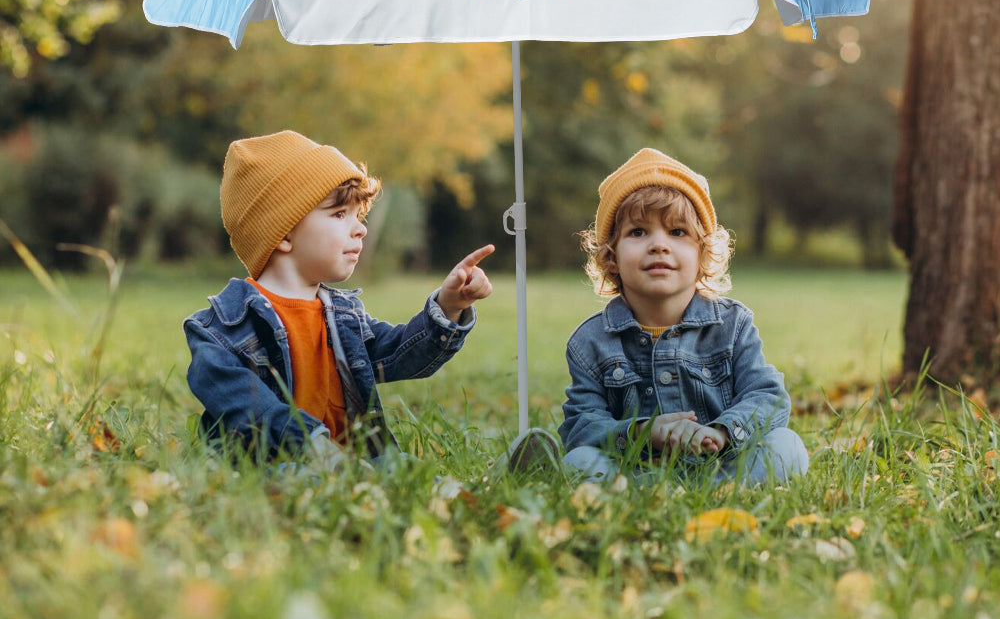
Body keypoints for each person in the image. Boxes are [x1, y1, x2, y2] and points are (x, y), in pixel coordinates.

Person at [184, 130, 494, 466]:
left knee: (409, 471)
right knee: (295, 477)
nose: (360, 229)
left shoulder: (344, 316)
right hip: (276, 465)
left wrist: (449, 307)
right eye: (339, 214)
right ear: (284, 233)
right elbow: (242, 404)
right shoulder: (222, 328)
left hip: (355, 463)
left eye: (357, 216)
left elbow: (402, 355)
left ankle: (489, 481)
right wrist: (312, 444)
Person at [559, 148, 808, 484]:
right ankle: (638, 494)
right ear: (611, 257)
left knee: (787, 447)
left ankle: (714, 491)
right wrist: (642, 433)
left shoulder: (733, 327)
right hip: (636, 471)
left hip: (720, 466)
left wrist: (722, 432)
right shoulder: (590, 342)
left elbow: (767, 395)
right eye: (638, 232)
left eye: (677, 233)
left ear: (703, 254)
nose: (659, 245)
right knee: (579, 460)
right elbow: (581, 423)